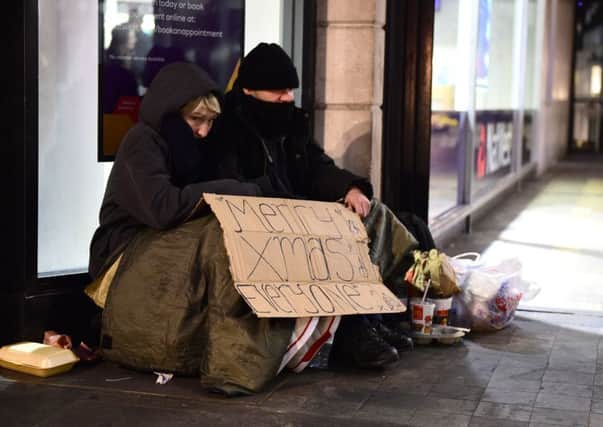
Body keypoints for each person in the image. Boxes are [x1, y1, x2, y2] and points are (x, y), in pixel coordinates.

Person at [87, 62, 295, 396]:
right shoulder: (142, 141)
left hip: (160, 243)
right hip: (122, 252)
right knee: (218, 235)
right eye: (196, 120)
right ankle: (235, 362)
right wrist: (229, 189)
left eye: (210, 122)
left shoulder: (190, 147)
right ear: (172, 114)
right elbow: (162, 208)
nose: (203, 131)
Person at [211, 43, 418, 369]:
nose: (287, 98)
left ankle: (368, 318)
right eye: (278, 91)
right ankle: (350, 333)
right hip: (263, 223)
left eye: (290, 90)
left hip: (299, 212)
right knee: (322, 242)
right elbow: (231, 185)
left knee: (364, 216)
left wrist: (347, 187)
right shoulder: (228, 129)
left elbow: (315, 166)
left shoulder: (292, 123)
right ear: (249, 90)